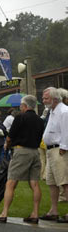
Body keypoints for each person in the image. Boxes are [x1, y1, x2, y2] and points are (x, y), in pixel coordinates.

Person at [0, 95, 45, 223]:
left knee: (11, 182)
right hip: (35, 151)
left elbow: (10, 136)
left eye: (21, 106)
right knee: (34, 183)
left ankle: (4, 213)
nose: (20, 108)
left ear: (25, 106)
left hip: (21, 151)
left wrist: (7, 144)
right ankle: (35, 213)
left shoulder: (20, 117)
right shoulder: (40, 120)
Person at [39, 87, 68, 223]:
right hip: (51, 150)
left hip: (59, 150)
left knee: (64, 181)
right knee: (51, 182)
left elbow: (66, 130)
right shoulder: (52, 111)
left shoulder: (63, 111)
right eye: (44, 98)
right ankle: (54, 210)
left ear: (55, 98)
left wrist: (64, 147)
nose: (43, 100)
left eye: (46, 98)